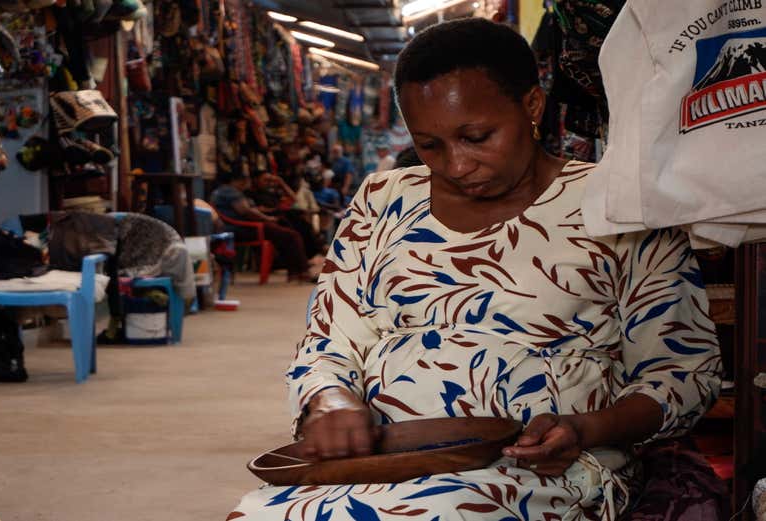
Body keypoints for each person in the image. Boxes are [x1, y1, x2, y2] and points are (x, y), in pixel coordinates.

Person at [228, 18, 721, 520]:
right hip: (382, 461)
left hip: (537, 473)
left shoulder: (614, 207)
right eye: (430, 145)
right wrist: (330, 398)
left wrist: (585, 429)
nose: (457, 165)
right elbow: (328, 341)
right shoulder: (384, 200)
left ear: (532, 105)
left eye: (477, 136)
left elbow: (681, 374)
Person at [210, 171, 311, 282]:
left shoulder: (220, 191)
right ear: (239, 181)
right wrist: (267, 219)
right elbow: (246, 211)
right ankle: (303, 271)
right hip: (244, 229)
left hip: (239, 227)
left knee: (286, 229)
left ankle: (295, 272)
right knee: (292, 236)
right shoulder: (229, 191)